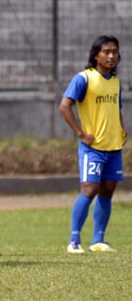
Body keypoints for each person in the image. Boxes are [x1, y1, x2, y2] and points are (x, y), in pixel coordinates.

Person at [59, 35, 126, 254]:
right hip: (93, 147)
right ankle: (74, 240)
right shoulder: (84, 78)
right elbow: (64, 106)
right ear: (96, 54)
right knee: (89, 189)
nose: (111, 56)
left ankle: (99, 240)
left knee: (107, 190)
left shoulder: (115, 82)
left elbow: (116, 109)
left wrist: (122, 128)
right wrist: (80, 133)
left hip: (113, 146)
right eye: (106, 52)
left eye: (114, 52)